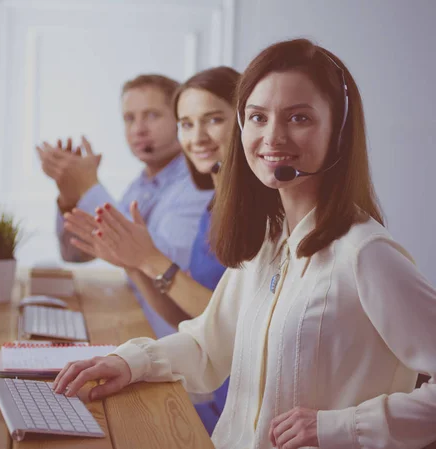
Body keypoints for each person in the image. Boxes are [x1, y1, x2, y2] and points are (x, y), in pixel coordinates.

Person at [51, 38, 436, 449]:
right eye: (257, 117)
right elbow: (208, 344)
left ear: (339, 132)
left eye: (299, 118)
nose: (272, 136)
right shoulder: (268, 242)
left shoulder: (366, 253)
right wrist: (128, 362)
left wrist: (339, 428)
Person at [62, 66, 241, 434]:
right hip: (207, 369)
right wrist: (131, 262)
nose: (198, 137)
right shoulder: (215, 207)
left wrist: (144, 257)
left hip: (226, 389)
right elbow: (187, 317)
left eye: (213, 120)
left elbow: (226, 323)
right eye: (187, 124)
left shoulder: (231, 206)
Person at [36, 74, 213, 279]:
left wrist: (88, 187)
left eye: (152, 115)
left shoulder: (198, 184)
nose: (138, 129)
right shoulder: (139, 186)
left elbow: (167, 267)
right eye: (129, 118)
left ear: (181, 120)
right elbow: (75, 255)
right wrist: (71, 196)